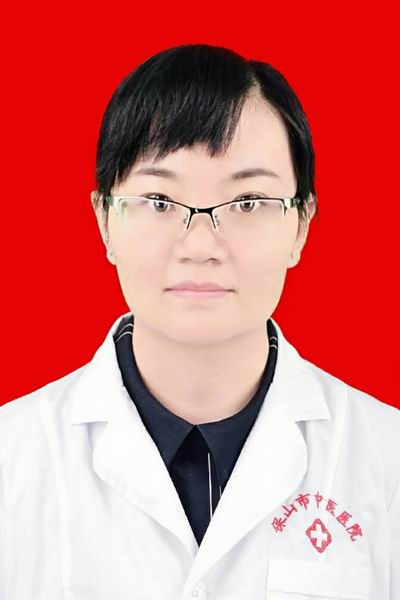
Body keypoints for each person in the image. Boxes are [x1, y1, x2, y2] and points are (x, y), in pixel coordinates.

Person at [0, 43, 398, 600]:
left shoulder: (386, 458)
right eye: (160, 201)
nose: (201, 245)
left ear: (302, 225)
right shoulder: (11, 458)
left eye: (248, 201)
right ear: (104, 222)